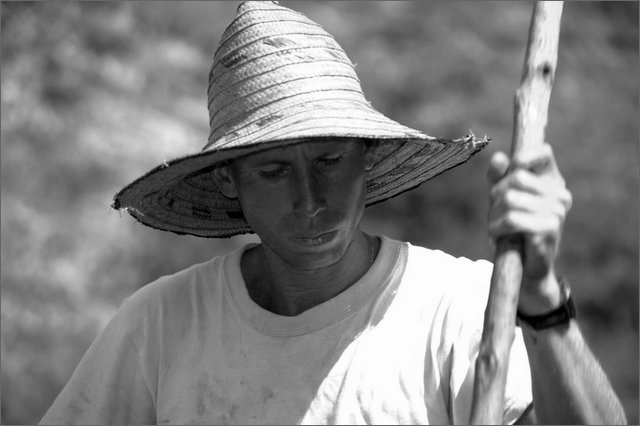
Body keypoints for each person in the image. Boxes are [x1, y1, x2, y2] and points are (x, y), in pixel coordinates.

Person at [40, 2, 626, 424]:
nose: (311, 196)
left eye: (329, 159)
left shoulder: (460, 308)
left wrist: (544, 299)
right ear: (228, 179)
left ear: (365, 160)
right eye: (274, 172)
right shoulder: (161, 326)